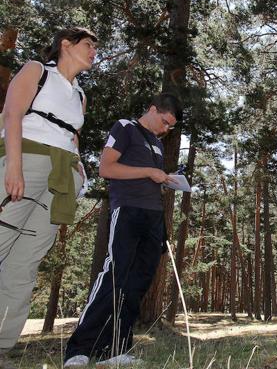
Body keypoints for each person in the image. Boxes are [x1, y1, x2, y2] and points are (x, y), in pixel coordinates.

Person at [0, 27, 97, 368]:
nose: (94, 51)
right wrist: (13, 167)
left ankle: (1, 347)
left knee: (24, 263)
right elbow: (12, 115)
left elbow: (73, 138)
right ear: (65, 45)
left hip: (61, 175)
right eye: (89, 44)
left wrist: (81, 170)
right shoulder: (36, 71)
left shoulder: (81, 95)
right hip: (24, 160)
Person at [63, 93, 182, 368]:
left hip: (153, 216)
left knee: (137, 283)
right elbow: (107, 168)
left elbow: (148, 177)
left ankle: (115, 348)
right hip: (127, 212)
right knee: (114, 276)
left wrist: (164, 180)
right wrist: (148, 172)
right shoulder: (125, 127)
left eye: (170, 127)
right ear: (153, 109)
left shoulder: (156, 143)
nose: (166, 130)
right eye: (165, 122)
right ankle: (78, 348)